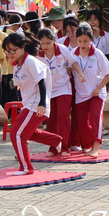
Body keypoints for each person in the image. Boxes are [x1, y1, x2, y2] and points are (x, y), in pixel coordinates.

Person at [3, 32, 63, 175]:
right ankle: (55, 140)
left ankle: (26, 167)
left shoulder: (30, 61)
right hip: (28, 103)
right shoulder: (16, 64)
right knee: (27, 133)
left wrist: (42, 103)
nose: (10, 53)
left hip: (36, 105)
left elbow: (41, 81)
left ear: (23, 47)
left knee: (17, 134)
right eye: (7, 51)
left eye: (13, 50)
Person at [37, 28, 86, 157]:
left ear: (53, 40)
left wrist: (80, 73)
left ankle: (65, 146)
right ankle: (53, 147)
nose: (45, 46)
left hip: (63, 88)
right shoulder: (38, 54)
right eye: (42, 43)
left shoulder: (62, 50)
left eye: (48, 43)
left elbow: (73, 62)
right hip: (48, 90)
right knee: (51, 119)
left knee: (63, 117)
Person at [71, 24, 109, 158]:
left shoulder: (97, 54)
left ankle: (96, 146)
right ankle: (87, 145)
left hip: (97, 93)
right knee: (82, 122)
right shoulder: (72, 53)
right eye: (79, 41)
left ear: (91, 39)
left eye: (85, 41)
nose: (82, 44)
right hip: (81, 94)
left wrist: (99, 88)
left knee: (96, 118)